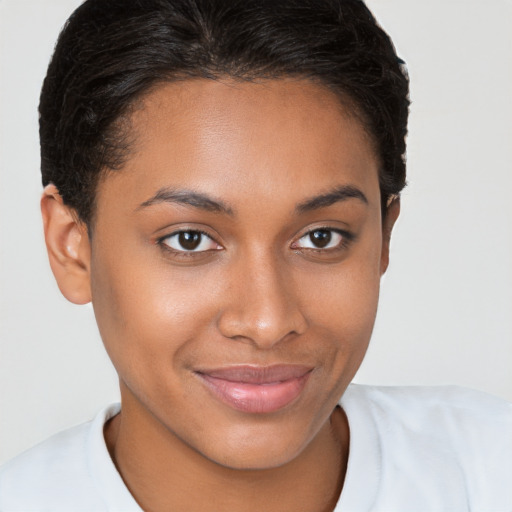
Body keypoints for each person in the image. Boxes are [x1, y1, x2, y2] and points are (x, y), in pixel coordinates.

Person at [0, 0, 510, 510]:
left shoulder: (490, 471)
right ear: (73, 248)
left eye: (321, 237)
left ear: (383, 237)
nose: (267, 323)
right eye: (189, 240)